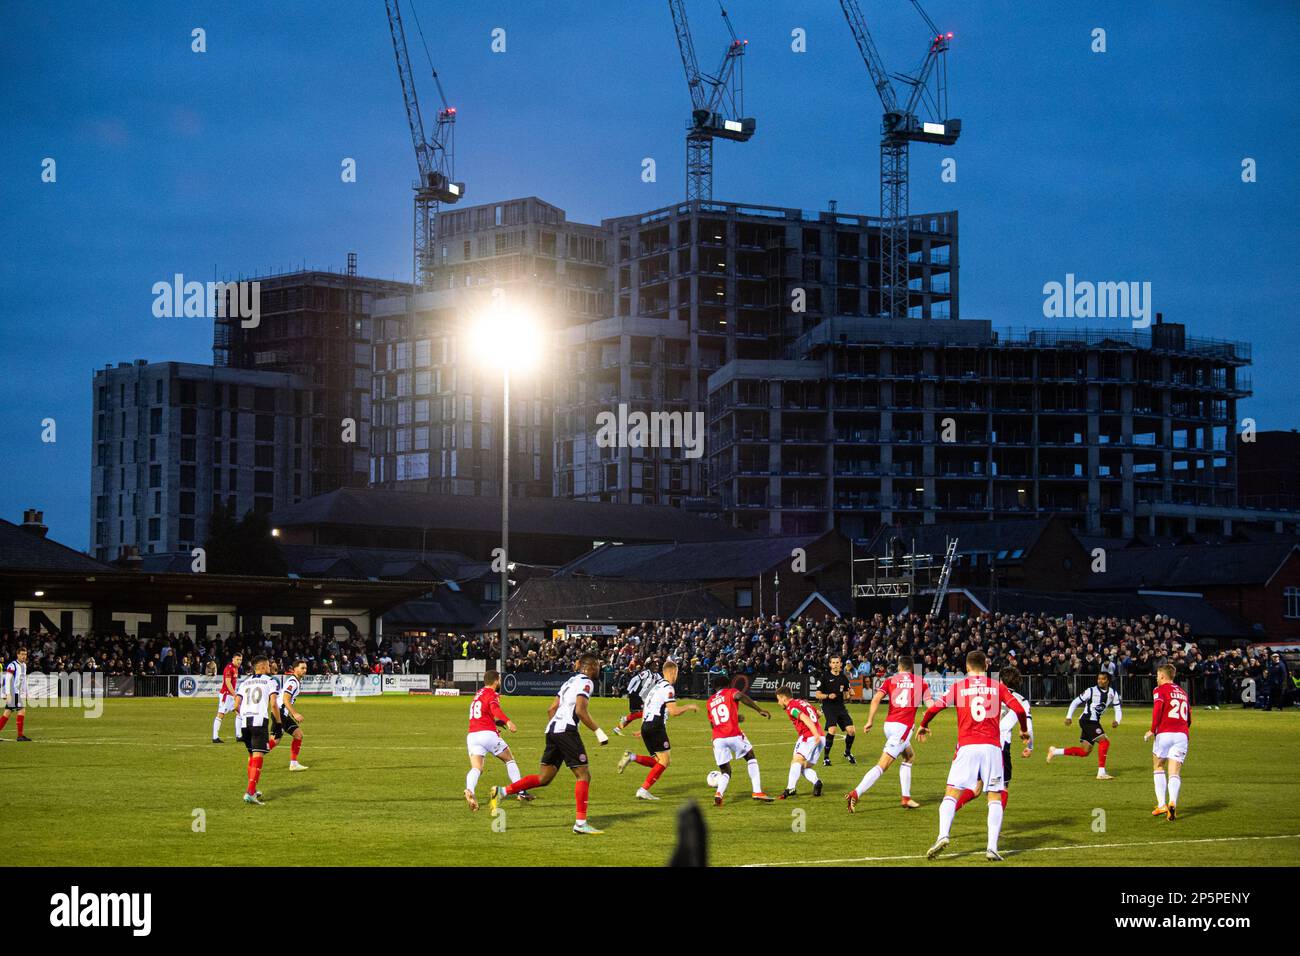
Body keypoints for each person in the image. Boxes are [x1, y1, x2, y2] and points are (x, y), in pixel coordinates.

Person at [916, 650, 1030, 862]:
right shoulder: (998, 687)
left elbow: (935, 708)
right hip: (992, 748)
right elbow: (1020, 710)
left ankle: (942, 835)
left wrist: (923, 725)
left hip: (967, 746)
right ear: (986, 666)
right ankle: (992, 847)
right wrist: (1023, 730)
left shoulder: (959, 687)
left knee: (951, 793)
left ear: (967, 667)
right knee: (994, 795)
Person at [489, 654, 610, 834]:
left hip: (552, 730)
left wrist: (556, 730)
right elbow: (580, 710)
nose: (599, 669)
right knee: (583, 775)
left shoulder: (569, 682)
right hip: (565, 731)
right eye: (598, 665)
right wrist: (599, 732)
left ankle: (502, 791)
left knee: (544, 778)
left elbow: (551, 709)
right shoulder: (586, 682)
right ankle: (580, 824)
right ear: (591, 666)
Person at [846, 655, 931, 811]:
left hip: (889, 725)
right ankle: (855, 793)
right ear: (911, 668)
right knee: (882, 765)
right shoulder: (921, 682)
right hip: (903, 728)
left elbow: (876, 699)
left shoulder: (890, 680)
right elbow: (930, 706)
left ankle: (906, 798)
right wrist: (925, 724)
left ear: (899, 667)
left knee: (909, 756)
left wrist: (870, 720)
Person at [953, 665, 1033, 812]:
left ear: (1001, 679)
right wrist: (1030, 747)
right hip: (1000, 747)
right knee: (1002, 788)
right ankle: (996, 830)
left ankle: (950, 811)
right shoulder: (1022, 701)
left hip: (979, 741)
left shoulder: (991, 693)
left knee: (977, 788)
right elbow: (1028, 726)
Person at [616, 660, 699, 800]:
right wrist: (688, 707)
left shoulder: (656, 687)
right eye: (676, 673)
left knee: (658, 761)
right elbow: (673, 711)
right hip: (655, 726)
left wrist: (642, 730)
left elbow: (647, 709)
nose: (676, 676)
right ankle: (643, 790)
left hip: (647, 725)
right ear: (673, 672)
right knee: (665, 761)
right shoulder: (668, 688)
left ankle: (632, 757)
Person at [703, 673, 774, 805]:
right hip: (733, 734)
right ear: (728, 685)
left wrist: (735, 718)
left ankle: (719, 794)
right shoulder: (730, 692)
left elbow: (713, 723)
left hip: (718, 738)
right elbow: (740, 696)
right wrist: (759, 710)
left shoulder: (710, 701)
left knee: (725, 770)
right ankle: (757, 791)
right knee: (750, 757)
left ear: (715, 688)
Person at [463, 670, 525, 810]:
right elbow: (495, 709)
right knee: (509, 759)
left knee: (477, 768)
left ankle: (470, 790)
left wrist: (498, 723)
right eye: (500, 679)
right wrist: (508, 722)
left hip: (473, 735)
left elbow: (483, 714)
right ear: (496, 681)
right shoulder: (492, 694)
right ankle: (521, 791)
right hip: (487, 734)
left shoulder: (478, 694)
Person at [1046, 672, 1122, 779]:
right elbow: (1075, 702)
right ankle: (1101, 773)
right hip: (1087, 720)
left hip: (1094, 722)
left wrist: (1117, 721)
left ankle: (1055, 751)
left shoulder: (1113, 693)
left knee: (1085, 751)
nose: (1100, 681)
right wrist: (1069, 716)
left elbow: (1118, 709)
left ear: (1108, 681)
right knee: (1104, 742)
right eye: (1099, 678)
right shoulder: (1091, 691)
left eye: (1103, 679)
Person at [1145, 663, 1190, 821]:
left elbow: (1158, 708)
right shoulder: (1183, 692)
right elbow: (1189, 717)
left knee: (1158, 766)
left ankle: (1162, 804)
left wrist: (1152, 729)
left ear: (1163, 676)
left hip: (1164, 733)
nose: (1157, 678)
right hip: (1182, 734)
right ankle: (1173, 802)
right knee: (1174, 772)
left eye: (1157, 675)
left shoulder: (1159, 690)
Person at [234, 656, 281, 806]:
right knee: (258, 755)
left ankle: (252, 790)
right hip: (259, 721)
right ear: (262, 667)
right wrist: (278, 723)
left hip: (244, 722)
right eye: (268, 665)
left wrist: (244, 714)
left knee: (251, 755)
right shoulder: (271, 680)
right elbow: (273, 704)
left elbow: (236, 705)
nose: (270, 667)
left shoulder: (245, 682)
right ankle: (250, 793)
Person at [775, 685, 825, 799]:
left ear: (783, 698)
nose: (778, 703)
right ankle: (817, 782)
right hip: (821, 737)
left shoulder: (791, 708)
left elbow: (805, 718)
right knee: (803, 767)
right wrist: (816, 730)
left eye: (778, 699)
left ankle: (790, 788)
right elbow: (819, 714)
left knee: (796, 761)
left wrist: (814, 733)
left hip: (810, 737)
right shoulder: (802, 702)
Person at [815, 655, 857, 765]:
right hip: (828, 707)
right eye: (833, 663)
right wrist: (828, 696)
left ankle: (847, 752)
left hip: (840, 707)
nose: (835, 665)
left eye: (837, 662)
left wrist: (851, 694)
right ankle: (826, 758)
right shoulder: (824, 677)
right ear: (830, 664)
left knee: (851, 731)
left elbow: (847, 695)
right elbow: (818, 694)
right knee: (832, 730)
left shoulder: (843, 677)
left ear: (840, 664)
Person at [272, 658, 309, 771]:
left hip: (283, 713)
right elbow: (285, 699)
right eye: (302, 668)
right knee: (275, 741)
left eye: (305, 668)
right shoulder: (293, 682)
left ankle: (293, 764)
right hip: (280, 714)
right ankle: (256, 754)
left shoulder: (295, 681)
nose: (304, 670)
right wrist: (295, 714)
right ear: (295, 669)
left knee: (298, 735)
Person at [614, 660, 655, 736]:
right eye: (654, 665)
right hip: (635, 694)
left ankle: (618, 728)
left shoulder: (654, 675)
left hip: (640, 696)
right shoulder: (646, 673)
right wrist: (629, 689)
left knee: (635, 714)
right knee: (644, 713)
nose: (656, 666)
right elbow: (634, 679)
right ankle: (625, 719)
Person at [0, 648, 32, 741]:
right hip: (13, 693)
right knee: (21, 710)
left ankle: (20, 735)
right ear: (17, 655)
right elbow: (7, 680)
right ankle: (20, 736)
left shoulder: (24, 666)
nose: (23, 656)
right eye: (22, 654)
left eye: (25, 654)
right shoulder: (12, 665)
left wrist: (26, 693)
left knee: (6, 714)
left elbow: (24, 680)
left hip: (17, 693)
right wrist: (8, 694)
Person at [212, 652, 242, 744]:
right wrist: (235, 694)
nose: (239, 661)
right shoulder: (229, 668)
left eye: (240, 660)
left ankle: (239, 736)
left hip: (231, 696)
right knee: (221, 714)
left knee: (240, 712)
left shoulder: (236, 668)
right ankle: (215, 737)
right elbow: (228, 682)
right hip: (226, 695)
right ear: (233, 659)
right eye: (237, 659)